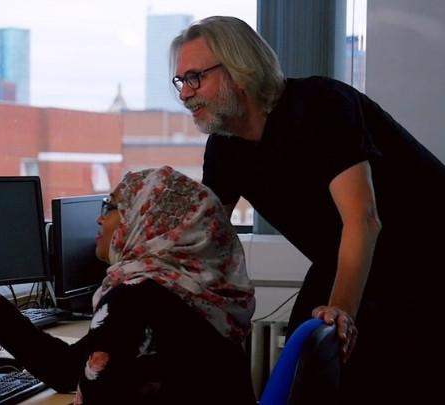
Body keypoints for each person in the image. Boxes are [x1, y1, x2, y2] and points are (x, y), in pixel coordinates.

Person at [170, 16, 444, 404]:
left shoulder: (321, 106)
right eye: (181, 81)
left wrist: (341, 315)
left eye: (195, 77)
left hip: (427, 259)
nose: (185, 94)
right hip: (344, 258)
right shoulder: (225, 145)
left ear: (239, 69)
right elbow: (203, 235)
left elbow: (363, 218)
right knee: (301, 371)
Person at [0, 166, 257, 404]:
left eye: (110, 207)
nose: (99, 217)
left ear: (144, 220)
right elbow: (69, 371)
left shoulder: (133, 300)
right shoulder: (201, 295)